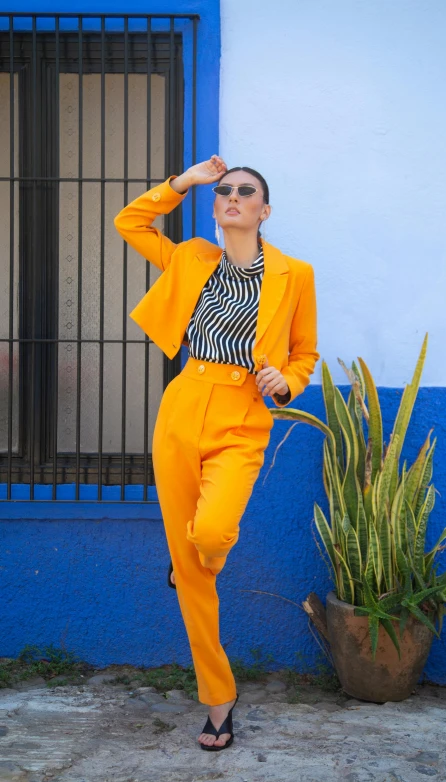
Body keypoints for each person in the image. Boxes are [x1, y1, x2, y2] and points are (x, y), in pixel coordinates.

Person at [113, 155, 319, 750]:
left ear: (264, 210)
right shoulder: (191, 258)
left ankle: (189, 560)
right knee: (199, 582)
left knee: (207, 540)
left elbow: (305, 353)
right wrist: (183, 182)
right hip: (182, 406)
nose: (232, 197)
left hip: (243, 417)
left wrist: (290, 381)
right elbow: (131, 222)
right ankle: (218, 699)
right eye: (225, 190)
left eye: (244, 191)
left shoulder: (294, 274)